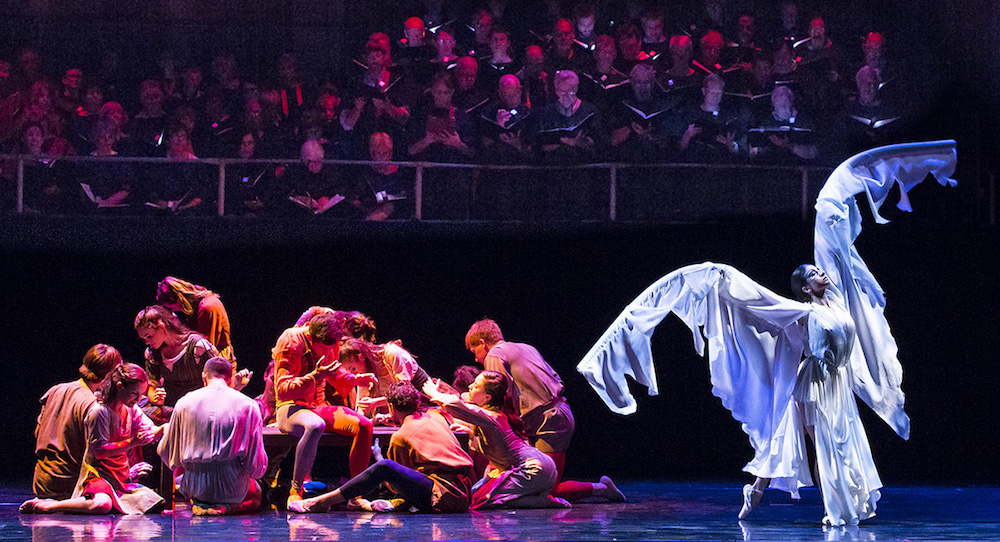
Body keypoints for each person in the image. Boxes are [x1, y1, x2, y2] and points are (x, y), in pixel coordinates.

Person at [576, 140, 958, 525]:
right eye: (813, 274)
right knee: (821, 442)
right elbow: (752, 297)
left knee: (823, 440)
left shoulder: (838, 302)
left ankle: (764, 491)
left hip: (838, 383)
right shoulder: (801, 312)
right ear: (805, 288)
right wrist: (716, 275)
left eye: (818, 270)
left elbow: (833, 241)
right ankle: (834, 507)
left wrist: (843, 189)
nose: (820, 273)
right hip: (816, 384)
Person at [465, 319, 623, 503]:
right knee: (535, 483)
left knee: (547, 489)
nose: (476, 358)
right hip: (556, 413)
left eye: (474, 351)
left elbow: (499, 398)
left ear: (483, 343)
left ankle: (602, 489)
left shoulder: (495, 355)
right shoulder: (526, 347)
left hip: (548, 422)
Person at [288, 381, 474, 513]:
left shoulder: (400, 437)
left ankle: (324, 501)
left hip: (443, 496)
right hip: (465, 492)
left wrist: (378, 457)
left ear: (392, 407)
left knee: (384, 467)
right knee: (386, 467)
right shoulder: (437, 415)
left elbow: (397, 484)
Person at [20, 363, 165, 514]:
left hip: (119, 477)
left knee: (154, 502)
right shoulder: (99, 412)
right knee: (102, 505)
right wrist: (132, 442)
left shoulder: (131, 409)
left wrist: (164, 429)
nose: (139, 398)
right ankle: (52, 506)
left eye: (141, 394)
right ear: (120, 386)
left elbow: (149, 429)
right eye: (135, 393)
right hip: (97, 474)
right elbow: (99, 451)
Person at [272, 312, 377, 507]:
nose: (326, 351)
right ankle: (295, 491)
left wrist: (355, 379)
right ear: (311, 338)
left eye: (331, 347)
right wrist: (315, 377)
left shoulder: (332, 341)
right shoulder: (291, 341)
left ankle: (355, 495)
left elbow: (333, 372)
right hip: (291, 407)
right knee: (315, 425)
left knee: (364, 425)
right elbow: (282, 390)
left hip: (318, 405)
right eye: (322, 347)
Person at [423, 370, 568, 509]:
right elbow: (496, 444)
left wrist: (434, 393)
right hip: (537, 467)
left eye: (476, 386)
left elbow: (457, 406)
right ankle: (535, 496)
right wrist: (472, 434)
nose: (470, 386)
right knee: (473, 496)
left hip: (532, 470)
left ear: (487, 397)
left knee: (483, 501)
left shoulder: (492, 417)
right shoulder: (493, 417)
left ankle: (541, 501)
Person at [157, 357, 267, 515]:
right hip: (231, 486)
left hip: (195, 485)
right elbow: (256, 464)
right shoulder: (248, 405)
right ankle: (227, 508)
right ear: (230, 379)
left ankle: (199, 502)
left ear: (204, 377)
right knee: (256, 494)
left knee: (186, 482)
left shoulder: (184, 402)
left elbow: (164, 450)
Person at [31, 344, 123, 501]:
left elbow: (37, 433)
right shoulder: (93, 405)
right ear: (109, 375)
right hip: (69, 485)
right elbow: (96, 454)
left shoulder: (55, 390)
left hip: (41, 483)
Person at [134, 305, 232, 424]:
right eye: (144, 339)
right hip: (172, 408)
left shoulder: (197, 346)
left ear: (161, 326)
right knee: (140, 415)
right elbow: (152, 383)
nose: (147, 342)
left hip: (198, 408)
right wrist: (155, 396)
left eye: (149, 336)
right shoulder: (152, 353)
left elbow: (219, 374)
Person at [155, 276, 235, 360]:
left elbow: (206, 347)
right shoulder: (192, 309)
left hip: (219, 367)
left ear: (179, 300)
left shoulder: (208, 307)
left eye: (171, 308)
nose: (172, 311)